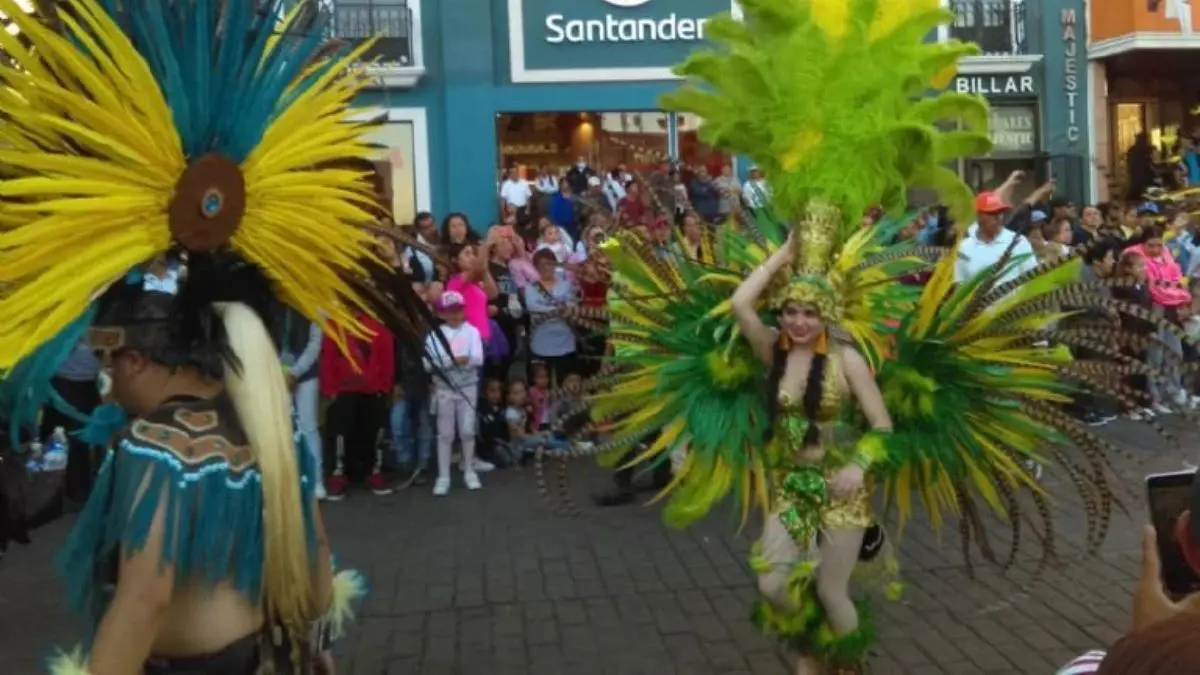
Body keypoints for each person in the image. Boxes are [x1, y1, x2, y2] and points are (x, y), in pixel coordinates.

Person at [592, 2, 1176, 671]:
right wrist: (785, 257)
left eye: (810, 311)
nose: (799, 319)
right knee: (773, 583)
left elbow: (881, 426)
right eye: (793, 312)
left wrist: (857, 464)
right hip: (792, 488)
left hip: (841, 491)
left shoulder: (848, 360)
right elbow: (740, 301)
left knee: (835, 593)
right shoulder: (772, 350)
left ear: (828, 313)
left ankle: (842, 664)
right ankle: (811, 650)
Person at [0, 3, 448, 671]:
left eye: (107, 365)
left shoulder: (157, 444)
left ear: (140, 357)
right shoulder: (273, 428)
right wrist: (316, 652)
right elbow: (316, 563)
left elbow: (144, 599)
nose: (107, 385)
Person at [423, 291, 486, 496]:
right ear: (441, 314)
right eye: (450, 312)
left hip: (467, 387)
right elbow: (428, 363)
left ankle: (469, 470)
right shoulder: (435, 335)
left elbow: (477, 358)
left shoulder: (472, 332)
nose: (455, 315)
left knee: (467, 430)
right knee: (445, 433)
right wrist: (454, 361)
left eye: (458, 310)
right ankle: (443, 476)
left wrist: (455, 361)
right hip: (444, 389)